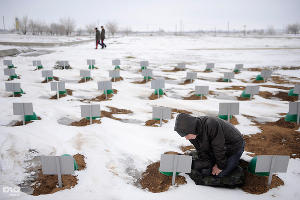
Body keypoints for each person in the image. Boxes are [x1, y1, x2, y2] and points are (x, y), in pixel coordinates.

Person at [174, 113, 244, 177]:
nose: (186, 138)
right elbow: (200, 149)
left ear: (192, 129)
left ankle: (236, 165)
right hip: (217, 146)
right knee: (206, 171)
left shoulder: (211, 124)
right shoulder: (192, 132)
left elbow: (219, 148)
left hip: (234, 146)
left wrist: (220, 166)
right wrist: (206, 163)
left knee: (220, 174)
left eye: (186, 135)